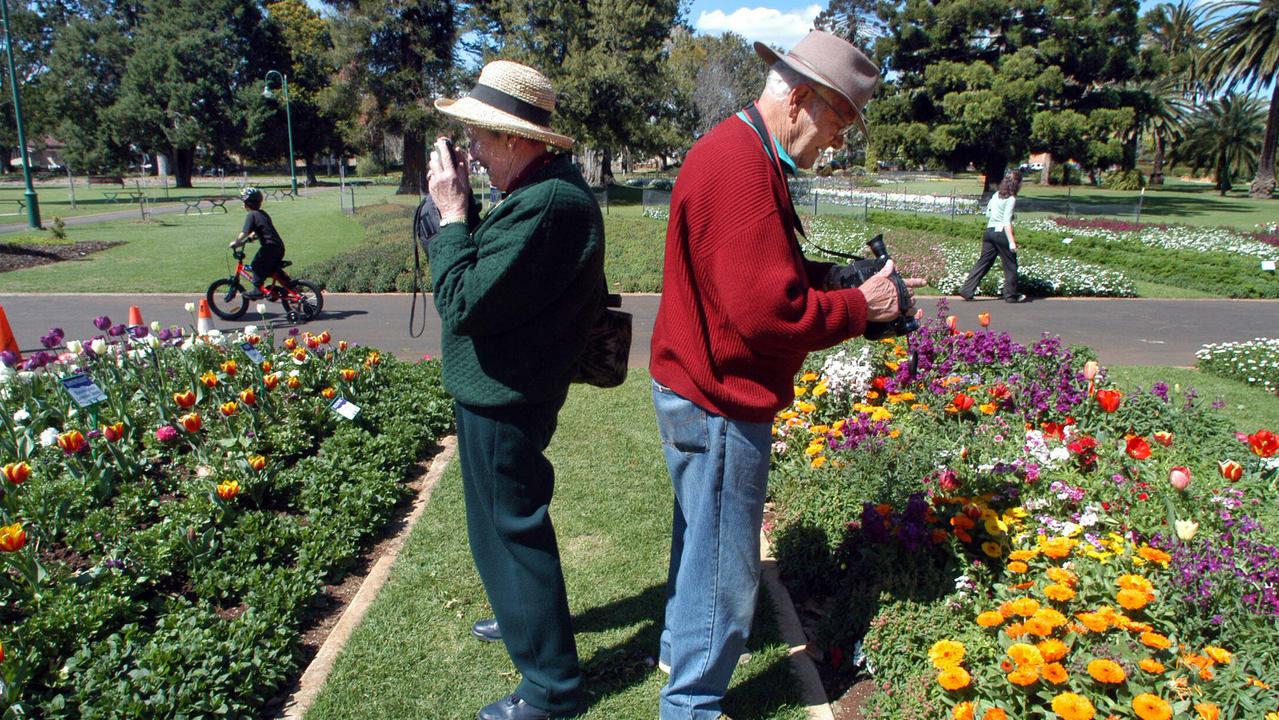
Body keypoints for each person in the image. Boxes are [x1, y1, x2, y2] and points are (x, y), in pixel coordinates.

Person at [648, 30, 921, 720]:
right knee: (724, 578)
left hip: (697, 389)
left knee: (699, 549)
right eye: (837, 122)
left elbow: (755, 275)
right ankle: (690, 707)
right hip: (717, 401)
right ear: (798, 99)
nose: (836, 142)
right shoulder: (741, 165)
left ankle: (679, 658)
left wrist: (827, 279)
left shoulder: (739, 149)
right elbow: (764, 316)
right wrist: (859, 306)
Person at [427, 60, 605, 720]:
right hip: (501, 387)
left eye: (478, 137)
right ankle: (518, 612)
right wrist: (460, 221)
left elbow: (464, 301)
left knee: (511, 532)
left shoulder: (548, 204)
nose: (470, 151)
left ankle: (551, 691)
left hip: (507, 394)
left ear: (513, 139)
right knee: (500, 531)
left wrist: (450, 219)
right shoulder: (538, 195)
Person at [957, 171, 1027, 303]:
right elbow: (1006, 222)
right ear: (1016, 184)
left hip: (989, 231)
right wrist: (1012, 242)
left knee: (984, 262)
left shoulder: (996, 195)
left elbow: (988, 213)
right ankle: (1011, 295)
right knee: (1010, 264)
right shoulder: (1011, 199)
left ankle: (967, 289)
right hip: (1001, 233)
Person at [229, 187, 287, 300]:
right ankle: (289, 284)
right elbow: (259, 232)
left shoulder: (251, 215)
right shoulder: (262, 213)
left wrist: (236, 242)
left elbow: (245, 232)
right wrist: (249, 240)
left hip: (269, 248)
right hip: (278, 247)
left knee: (256, 265)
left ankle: (257, 290)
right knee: (270, 269)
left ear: (247, 203)